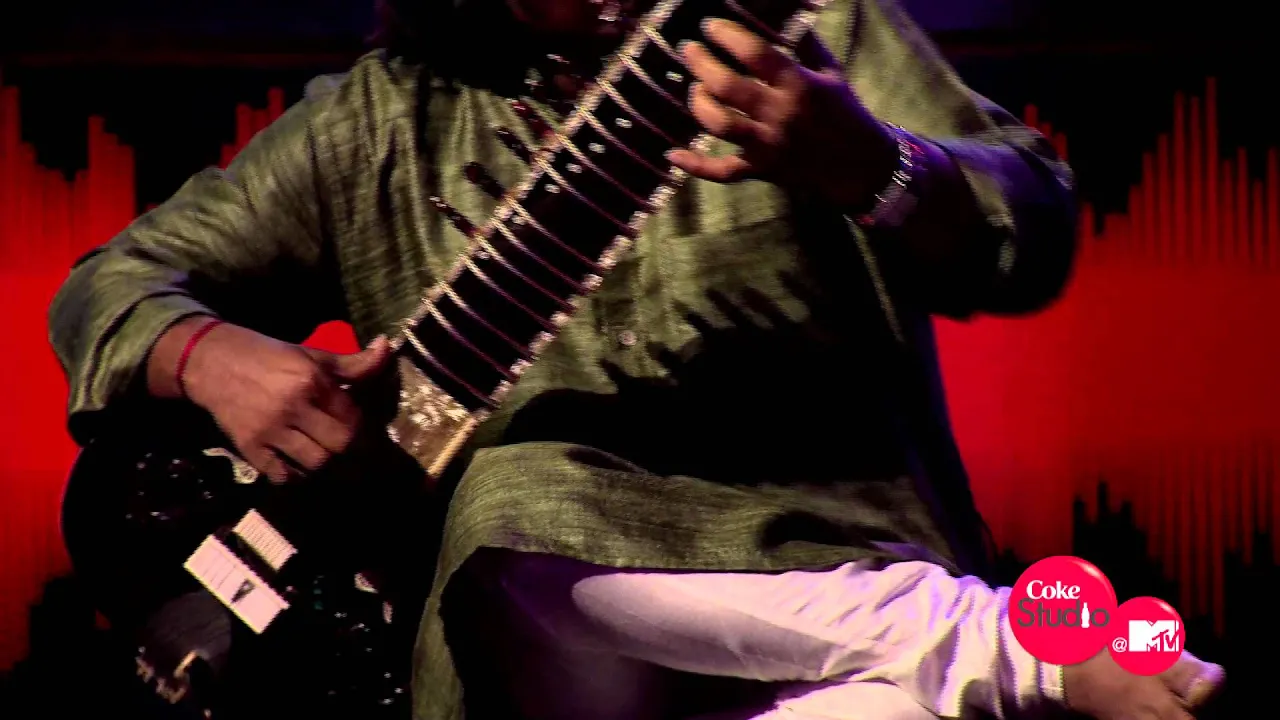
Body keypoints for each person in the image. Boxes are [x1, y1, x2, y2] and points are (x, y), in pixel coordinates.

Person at [48, 0, 1224, 717]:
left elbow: (1031, 233)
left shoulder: (799, 25)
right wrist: (205, 354)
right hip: (551, 646)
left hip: (825, 575)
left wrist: (872, 164)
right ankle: (1016, 651)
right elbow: (109, 284)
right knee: (508, 517)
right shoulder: (375, 123)